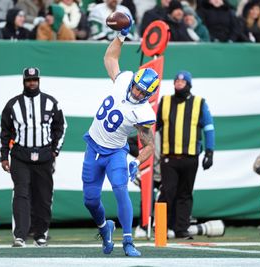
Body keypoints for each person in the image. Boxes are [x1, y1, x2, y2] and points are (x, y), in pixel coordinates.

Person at [81, 17, 158, 257]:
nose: (136, 92)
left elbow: (149, 146)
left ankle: (128, 241)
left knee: (120, 189)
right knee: (90, 200)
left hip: (115, 151)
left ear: (148, 95)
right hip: (93, 146)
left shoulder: (144, 111)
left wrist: (136, 161)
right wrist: (121, 35)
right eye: (136, 87)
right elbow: (110, 58)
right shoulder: (124, 80)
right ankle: (105, 228)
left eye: (141, 92)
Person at [0, 67, 67, 248]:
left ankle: (40, 234)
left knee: (43, 196)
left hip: (44, 156)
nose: (32, 83)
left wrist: (55, 150)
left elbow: (61, 127)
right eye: (29, 80)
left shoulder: (51, 103)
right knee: (21, 194)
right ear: (24, 81)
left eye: (34, 80)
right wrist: (3, 156)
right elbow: (3, 131)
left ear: (39, 81)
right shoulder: (12, 104)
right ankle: (20, 236)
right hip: (20, 155)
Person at [156, 70, 215, 238]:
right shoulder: (165, 101)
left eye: (182, 82)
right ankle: (160, 228)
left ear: (189, 85)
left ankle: (181, 228)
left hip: (190, 157)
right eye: (176, 82)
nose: (178, 84)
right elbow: (154, 126)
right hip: (169, 158)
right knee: (167, 192)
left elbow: (209, 128)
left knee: (185, 194)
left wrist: (209, 152)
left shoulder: (199, 103)